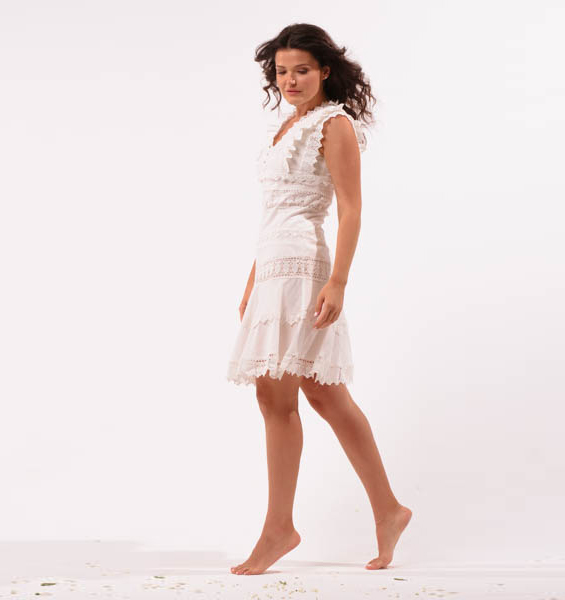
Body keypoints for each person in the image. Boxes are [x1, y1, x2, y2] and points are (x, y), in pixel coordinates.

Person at [226, 23, 412, 576]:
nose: (290, 80)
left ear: (325, 71)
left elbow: (350, 209)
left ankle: (281, 528)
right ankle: (387, 509)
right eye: (282, 72)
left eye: (302, 70)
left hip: (305, 269)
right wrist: (253, 279)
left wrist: (339, 282)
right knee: (313, 396)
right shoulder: (286, 127)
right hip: (273, 268)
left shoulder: (334, 124)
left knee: (291, 394)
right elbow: (274, 213)